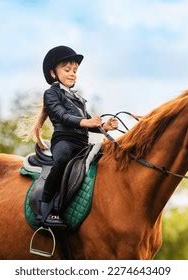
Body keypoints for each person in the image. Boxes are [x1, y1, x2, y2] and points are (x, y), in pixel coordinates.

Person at [33, 45, 118, 227]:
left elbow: (88, 122)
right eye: (67, 70)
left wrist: (104, 126)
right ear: (53, 73)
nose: (72, 73)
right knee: (63, 158)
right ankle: (47, 206)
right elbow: (61, 115)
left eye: (75, 70)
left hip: (82, 143)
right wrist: (86, 123)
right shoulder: (51, 94)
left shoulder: (78, 99)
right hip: (64, 141)